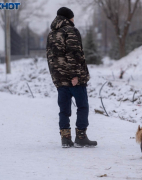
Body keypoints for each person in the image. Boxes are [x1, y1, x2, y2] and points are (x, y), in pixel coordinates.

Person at [46, 7, 97, 148]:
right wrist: (75, 75)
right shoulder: (70, 31)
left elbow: (50, 58)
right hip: (74, 79)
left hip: (59, 79)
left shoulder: (51, 34)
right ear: (69, 18)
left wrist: (56, 78)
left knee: (64, 110)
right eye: (73, 17)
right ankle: (81, 137)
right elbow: (73, 54)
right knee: (82, 106)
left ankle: (65, 139)